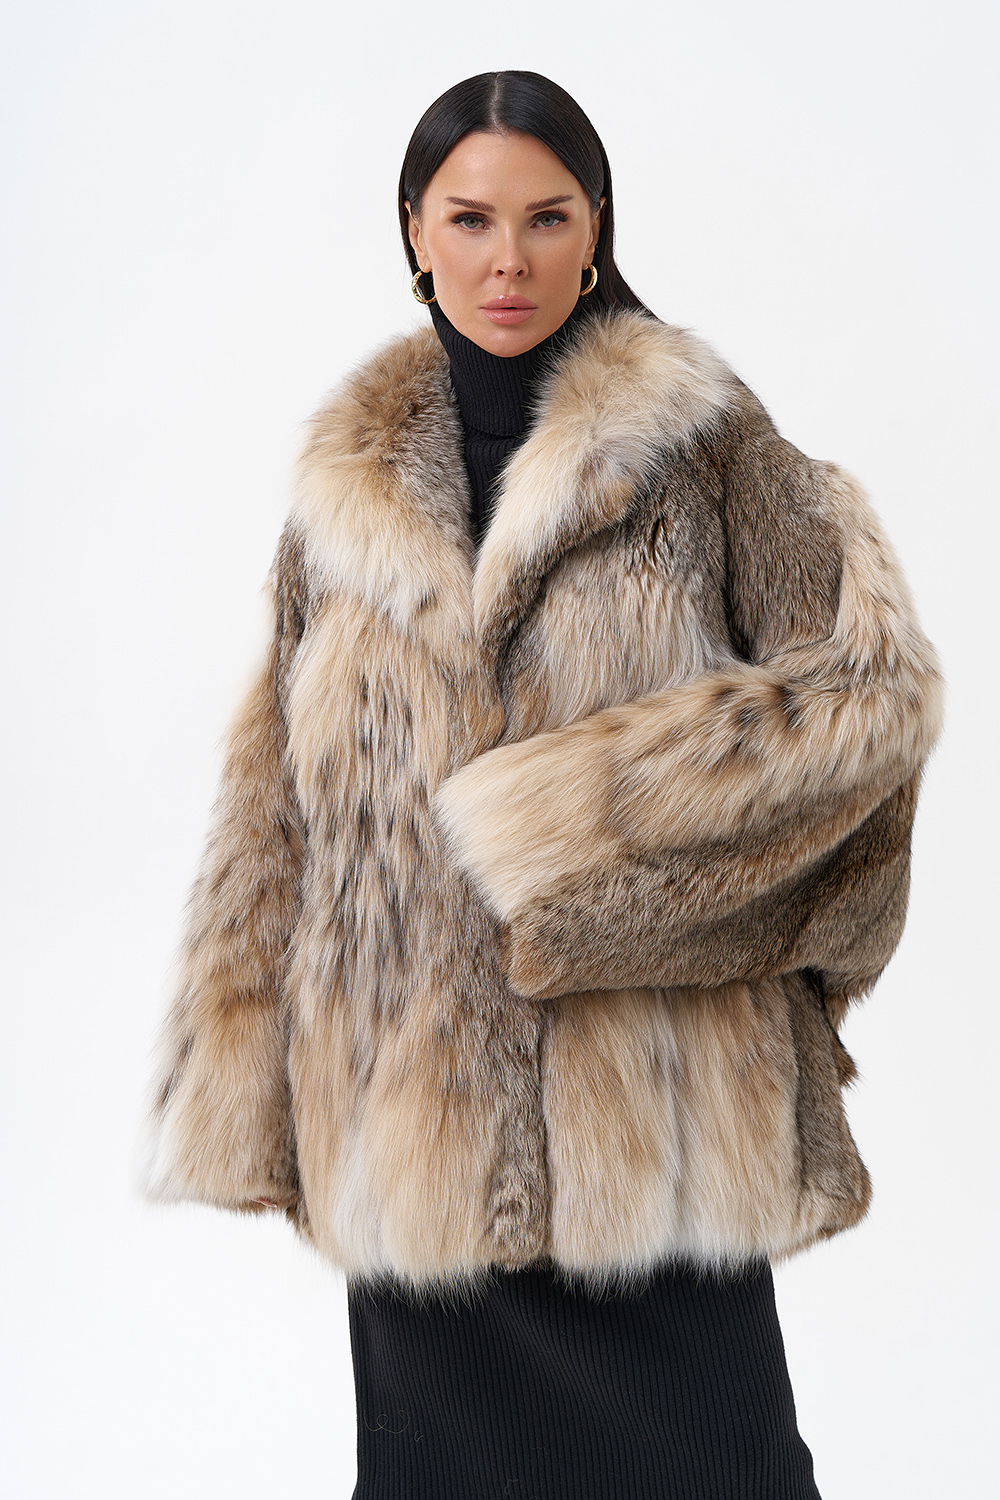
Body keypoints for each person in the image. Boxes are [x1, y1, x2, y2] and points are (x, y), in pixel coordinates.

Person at [144, 70, 943, 1500]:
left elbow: (865, 712)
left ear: (597, 229)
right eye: (469, 219)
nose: (505, 259)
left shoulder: (705, 448)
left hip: (657, 1125)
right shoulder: (343, 500)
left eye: (545, 217)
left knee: (725, 1467)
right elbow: (275, 812)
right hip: (416, 1131)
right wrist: (243, 1093)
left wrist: (577, 863)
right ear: (415, 230)